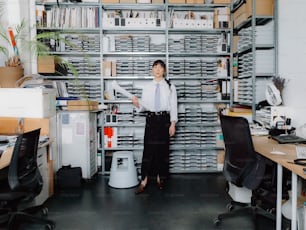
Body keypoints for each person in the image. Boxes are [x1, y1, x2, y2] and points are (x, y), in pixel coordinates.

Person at [132, 59, 178, 194]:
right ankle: (144, 181)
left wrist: (173, 123)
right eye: (155, 67)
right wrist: (136, 104)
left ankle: (160, 178)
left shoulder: (170, 86)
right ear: (152, 69)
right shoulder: (147, 87)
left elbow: (173, 106)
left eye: (160, 67)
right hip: (151, 119)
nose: (157, 70)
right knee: (148, 150)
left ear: (164, 70)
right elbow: (144, 106)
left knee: (162, 151)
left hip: (164, 119)